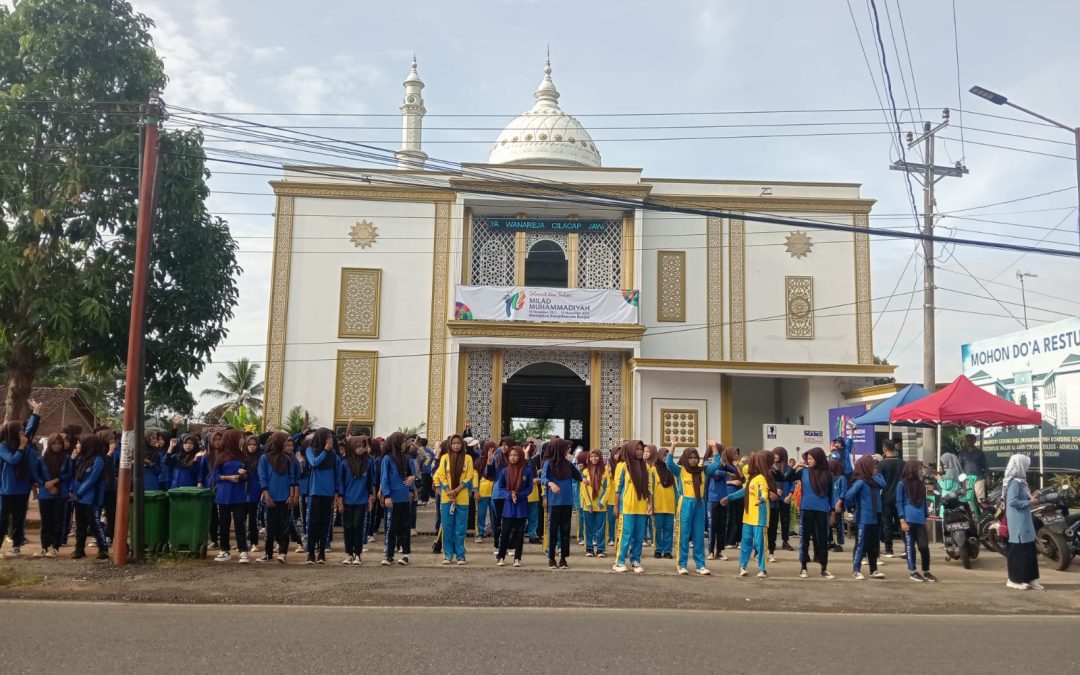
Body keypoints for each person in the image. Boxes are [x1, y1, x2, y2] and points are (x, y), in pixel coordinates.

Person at [722, 450, 774, 578]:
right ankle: (742, 566)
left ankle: (762, 568)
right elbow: (743, 492)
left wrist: (761, 499)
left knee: (759, 544)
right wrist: (729, 498)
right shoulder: (751, 479)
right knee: (746, 543)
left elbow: (764, 492)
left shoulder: (761, 478)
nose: (750, 465)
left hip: (759, 518)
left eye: (753, 463)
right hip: (748, 517)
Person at [665, 437, 712, 576]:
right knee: (683, 535)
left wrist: (713, 447)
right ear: (686, 458)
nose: (693, 460)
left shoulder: (703, 471)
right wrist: (673, 446)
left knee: (698, 535)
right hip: (685, 503)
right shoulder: (680, 470)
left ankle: (700, 565)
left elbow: (716, 464)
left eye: (695, 457)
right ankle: (682, 564)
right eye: (690, 457)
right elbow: (668, 463)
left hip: (699, 504)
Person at [791, 447, 835, 579]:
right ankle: (803, 567)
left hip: (822, 510)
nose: (808, 461)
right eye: (807, 459)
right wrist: (795, 467)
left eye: (811, 458)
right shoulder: (804, 471)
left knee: (822, 540)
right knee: (804, 538)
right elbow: (787, 478)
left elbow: (831, 494)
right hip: (806, 509)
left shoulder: (828, 474)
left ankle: (824, 568)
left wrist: (832, 511)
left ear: (819, 459)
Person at [257, 432, 299, 564]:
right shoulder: (264, 458)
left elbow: (292, 477)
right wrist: (267, 495)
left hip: (285, 497)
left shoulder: (286, 459)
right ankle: (268, 553)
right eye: (284, 442)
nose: (287, 444)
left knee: (284, 527)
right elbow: (262, 478)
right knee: (270, 527)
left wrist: (292, 495)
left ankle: (282, 552)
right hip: (270, 497)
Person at [843, 455, 887, 580]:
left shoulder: (875, 481)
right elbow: (848, 496)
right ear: (866, 467)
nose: (874, 468)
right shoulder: (861, 482)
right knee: (861, 545)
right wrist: (853, 508)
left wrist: (876, 473)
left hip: (876, 516)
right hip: (864, 518)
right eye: (872, 466)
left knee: (874, 545)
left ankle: (874, 570)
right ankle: (856, 570)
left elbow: (884, 483)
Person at [612, 440, 651, 574]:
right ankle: (619, 561)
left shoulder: (645, 466)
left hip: (641, 506)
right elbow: (617, 488)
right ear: (630, 450)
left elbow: (649, 487)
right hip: (627, 507)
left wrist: (650, 504)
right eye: (637, 449)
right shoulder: (622, 466)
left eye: (641, 449)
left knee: (639, 535)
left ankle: (635, 560)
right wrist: (616, 506)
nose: (640, 452)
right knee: (625, 535)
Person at [212, 429, 252, 564]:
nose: (242, 440)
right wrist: (229, 477)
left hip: (239, 495)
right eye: (240, 438)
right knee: (223, 523)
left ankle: (243, 550)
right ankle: (225, 549)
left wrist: (243, 474)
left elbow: (248, 476)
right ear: (232, 439)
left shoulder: (243, 456)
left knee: (240, 523)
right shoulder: (221, 457)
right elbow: (215, 476)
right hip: (223, 495)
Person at [542, 438, 582, 569]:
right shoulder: (548, 463)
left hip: (567, 502)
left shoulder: (568, 464)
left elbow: (579, 476)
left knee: (565, 532)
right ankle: (551, 558)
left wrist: (587, 476)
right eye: (566, 448)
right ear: (559, 449)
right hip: (554, 503)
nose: (569, 450)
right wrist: (551, 483)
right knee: (553, 531)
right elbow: (543, 478)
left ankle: (563, 559)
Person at [1003, 454, 1041, 590]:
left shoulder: (1021, 482)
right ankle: (1013, 579)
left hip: (1025, 520)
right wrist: (1029, 502)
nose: (1027, 467)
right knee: (1018, 551)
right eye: (1026, 464)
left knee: (1029, 550)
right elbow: (1012, 502)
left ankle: (1030, 578)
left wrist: (1031, 498)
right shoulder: (1014, 483)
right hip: (1017, 522)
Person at [0, 416, 36, 558]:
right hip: (6, 489)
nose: (22, 432)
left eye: (23, 429)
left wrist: (35, 414)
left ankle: (16, 546)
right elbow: (13, 460)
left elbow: (31, 464)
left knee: (19, 519)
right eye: (19, 430)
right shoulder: (2, 446)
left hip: (22, 489)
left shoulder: (25, 447)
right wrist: (21, 448)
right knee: (2, 519)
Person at [435, 434, 474, 564]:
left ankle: (460, 555)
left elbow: (469, 477)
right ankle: (448, 555)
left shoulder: (468, 458)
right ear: (450, 445)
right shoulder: (445, 458)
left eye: (459, 443)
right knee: (447, 527)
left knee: (460, 528)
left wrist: (456, 490)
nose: (456, 445)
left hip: (462, 498)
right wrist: (448, 491)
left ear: (462, 445)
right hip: (447, 498)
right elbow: (441, 475)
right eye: (454, 443)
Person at [32, 433, 72, 558]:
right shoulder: (42, 459)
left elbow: (68, 474)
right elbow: (36, 475)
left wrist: (54, 482)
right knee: (45, 521)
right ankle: (44, 547)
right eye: (54, 444)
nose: (56, 446)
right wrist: (45, 483)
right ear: (49, 444)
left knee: (58, 521)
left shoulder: (66, 458)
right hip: (45, 494)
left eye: (59, 444)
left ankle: (55, 547)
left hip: (61, 494)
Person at [338, 435, 375, 566]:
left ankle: (358, 554)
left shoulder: (369, 462)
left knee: (358, 527)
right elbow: (340, 483)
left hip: (362, 500)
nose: (360, 449)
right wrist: (340, 500)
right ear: (352, 446)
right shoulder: (344, 463)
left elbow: (370, 482)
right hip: (347, 500)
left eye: (363, 446)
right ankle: (349, 554)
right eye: (358, 446)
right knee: (348, 527)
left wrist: (371, 497)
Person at [380, 431, 417, 566]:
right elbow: (384, 479)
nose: (404, 444)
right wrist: (387, 496)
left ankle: (405, 554)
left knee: (405, 527)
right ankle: (389, 554)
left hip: (404, 498)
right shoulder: (387, 459)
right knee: (391, 527)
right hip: (392, 499)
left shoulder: (405, 458)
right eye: (403, 442)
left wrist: (412, 479)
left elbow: (412, 474)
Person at [897, 459, 936, 582]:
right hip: (908, 520)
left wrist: (926, 518)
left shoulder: (920, 484)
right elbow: (899, 503)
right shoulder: (902, 484)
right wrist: (902, 520)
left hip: (920, 520)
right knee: (910, 547)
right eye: (919, 468)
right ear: (912, 469)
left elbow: (924, 502)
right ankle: (912, 571)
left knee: (924, 546)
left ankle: (926, 570)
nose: (921, 471)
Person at [304, 428, 339, 565]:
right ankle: (311, 552)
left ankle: (322, 552)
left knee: (325, 523)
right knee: (313, 523)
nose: (330, 439)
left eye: (331, 437)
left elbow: (336, 474)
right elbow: (314, 463)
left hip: (329, 492)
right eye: (328, 437)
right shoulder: (310, 450)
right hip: (315, 491)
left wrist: (337, 492)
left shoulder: (334, 454)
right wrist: (325, 451)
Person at [495, 445, 533, 566]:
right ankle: (501, 556)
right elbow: (500, 487)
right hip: (508, 506)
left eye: (515, 455)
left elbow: (530, 487)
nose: (512, 457)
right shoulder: (504, 471)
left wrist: (519, 494)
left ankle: (517, 558)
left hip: (521, 506)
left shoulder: (527, 471)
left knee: (519, 533)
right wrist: (509, 495)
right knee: (505, 532)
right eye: (511, 455)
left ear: (520, 456)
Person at [579, 449, 609, 558]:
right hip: (589, 506)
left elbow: (607, 488)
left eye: (596, 456)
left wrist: (602, 501)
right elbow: (583, 488)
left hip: (601, 506)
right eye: (591, 457)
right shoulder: (585, 472)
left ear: (600, 457)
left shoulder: (605, 472)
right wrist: (588, 503)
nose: (593, 459)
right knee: (589, 528)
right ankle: (589, 549)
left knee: (601, 529)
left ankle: (601, 549)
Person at [878, 440, 904, 557]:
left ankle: (889, 549)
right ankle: (906, 547)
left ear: (884, 449)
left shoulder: (882, 464)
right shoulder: (903, 463)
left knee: (887, 523)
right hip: (900, 498)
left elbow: (879, 481)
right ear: (895, 448)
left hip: (886, 497)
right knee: (901, 522)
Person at [485, 437, 512, 553]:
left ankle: (510, 546)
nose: (504, 447)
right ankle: (497, 545)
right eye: (502, 445)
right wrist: (489, 461)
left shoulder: (514, 458)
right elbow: (488, 475)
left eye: (506, 445)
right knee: (497, 522)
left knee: (510, 521)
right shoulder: (496, 458)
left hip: (511, 492)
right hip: (498, 494)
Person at [650, 445, 676, 561]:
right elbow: (650, 488)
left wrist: (677, 503)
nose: (665, 458)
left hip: (670, 505)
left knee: (669, 529)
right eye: (664, 455)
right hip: (658, 504)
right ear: (659, 456)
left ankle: (667, 551)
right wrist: (650, 504)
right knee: (658, 529)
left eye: (667, 455)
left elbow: (676, 489)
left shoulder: (672, 469)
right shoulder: (653, 469)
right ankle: (658, 550)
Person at [959, 434, 989, 503]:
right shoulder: (962, 453)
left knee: (980, 499)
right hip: (967, 479)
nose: (969, 441)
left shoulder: (980, 453)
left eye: (971, 440)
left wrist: (987, 477)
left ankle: (981, 513)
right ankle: (970, 513)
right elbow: (959, 466)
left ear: (974, 441)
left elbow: (985, 466)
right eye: (967, 440)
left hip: (978, 478)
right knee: (969, 499)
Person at [829, 459, 848, 552]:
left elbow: (844, 491)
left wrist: (839, 503)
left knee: (839, 526)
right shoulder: (831, 478)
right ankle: (831, 542)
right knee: (829, 524)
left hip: (838, 505)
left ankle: (840, 544)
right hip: (830, 506)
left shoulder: (842, 478)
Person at [605, 446, 623, 547]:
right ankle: (611, 538)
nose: (617, 455)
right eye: (615, 453)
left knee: (621, 520)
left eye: (619, 453)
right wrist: (608, 471)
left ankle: (619, 537)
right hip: (610, 498)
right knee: (611, 520)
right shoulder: (608, 467)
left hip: (621, 497)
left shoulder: (624, 465)